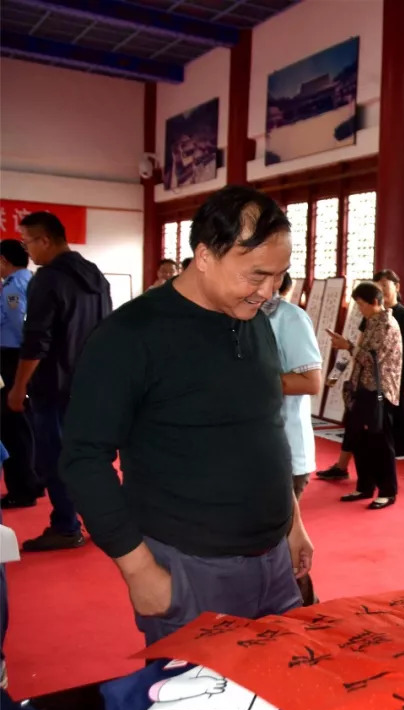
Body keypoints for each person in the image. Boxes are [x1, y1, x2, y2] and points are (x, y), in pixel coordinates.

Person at [59, 185, 314, 645]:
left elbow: (265, 429)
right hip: (189, 567)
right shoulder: (130, 336)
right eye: (256, 275)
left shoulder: (255, 320)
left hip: (275, 560)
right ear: (204, 256)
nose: (269, 291)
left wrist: (292, 524)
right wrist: (138, 569)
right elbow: (83, 458)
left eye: (279, 276)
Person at [10, 212, 111, 552]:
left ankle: (66, 526)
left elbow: (37, 339)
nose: (27, 251)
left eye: (27, 243)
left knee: (55, 458)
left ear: (45, 240)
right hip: (91, 384)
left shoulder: (48, 279)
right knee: (89, 457)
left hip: (54, 385)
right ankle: (102, 521)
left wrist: (18, 386)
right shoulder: (95, 275)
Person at [317, 268, 404, 479]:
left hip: (388, 380)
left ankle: (384, 480)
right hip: (365, 380)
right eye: (377, 285)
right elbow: (357, 348)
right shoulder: (369, 317)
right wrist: (337, 373)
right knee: (357, 426)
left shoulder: (398, 318)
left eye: (385, 285)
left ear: (396, 288)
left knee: (383, 431)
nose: (381, 289)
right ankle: (348, 469)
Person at [261, 272, 322, 606]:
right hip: (251, 447)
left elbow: (311, 381)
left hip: (286, 450)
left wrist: (246, 379)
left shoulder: (289, 317)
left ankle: (305, 618)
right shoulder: (238, 314)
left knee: (283, 547)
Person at [329, 282, 402, 509]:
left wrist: (347, 346)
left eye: (361, 304)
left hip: (380, 391)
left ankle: (388, 491)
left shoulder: (387, 324)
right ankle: (365, 486)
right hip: (363, 388)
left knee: (381, 442)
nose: (359, 309)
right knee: (359, 439)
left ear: (375, 302)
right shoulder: (371, 321)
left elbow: (372, 360)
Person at [0, 240, 41, 508]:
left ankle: (22, 488)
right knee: (28, 424)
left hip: (14, 357)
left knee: (13, 425)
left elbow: (18, 323)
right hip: (27, 358)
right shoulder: (32, 280)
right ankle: (33, 482)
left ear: (4, 260)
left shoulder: (14, 286)